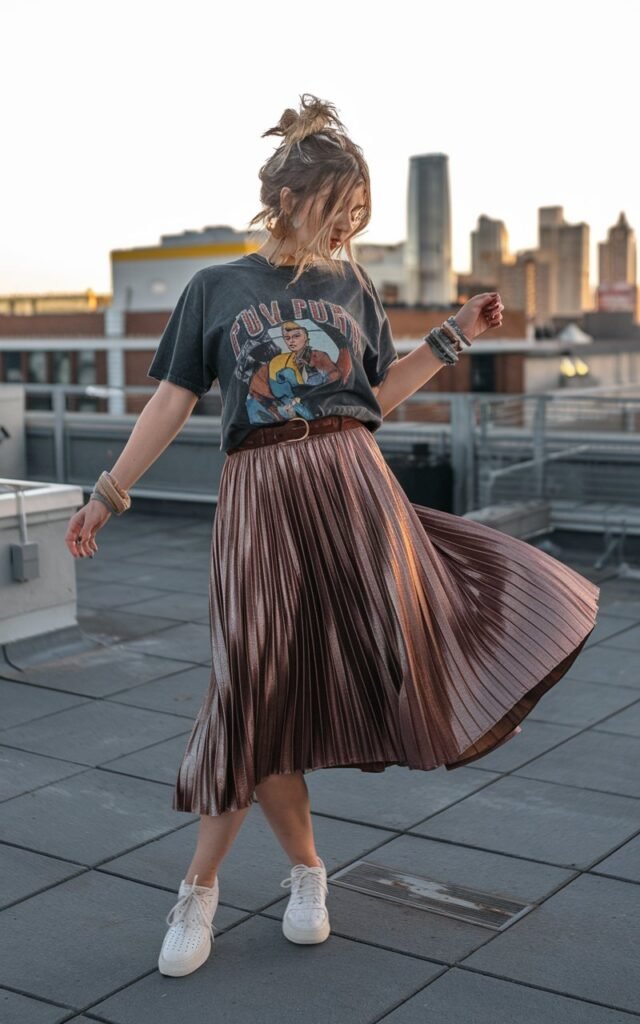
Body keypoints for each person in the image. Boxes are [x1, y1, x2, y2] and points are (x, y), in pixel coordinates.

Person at [64, 93, 600, 979]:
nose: (351, 224)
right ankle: (215, 884)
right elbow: (170, 400)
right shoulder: (216, 288)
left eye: (361, 211)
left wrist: (455, 336)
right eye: (340, 207)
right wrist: (108, 494)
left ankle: (300, 876)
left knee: (384, 656)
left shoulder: (352, 287)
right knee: (251, 687)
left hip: (353, 489)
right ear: (289, 200)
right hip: (262, 497)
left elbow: (372, 400)